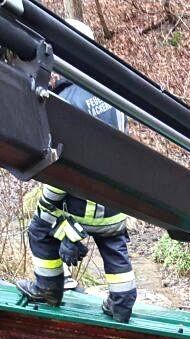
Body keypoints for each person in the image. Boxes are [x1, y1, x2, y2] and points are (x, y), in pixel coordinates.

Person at [15, 19, 137, 322]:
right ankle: (122, 304)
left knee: (40, 229)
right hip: (115, 207)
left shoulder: (66, 101)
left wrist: (47, 203)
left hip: (81, 208)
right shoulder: (112, 95)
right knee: (114, 248)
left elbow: (62, 170)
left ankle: (48, 289)